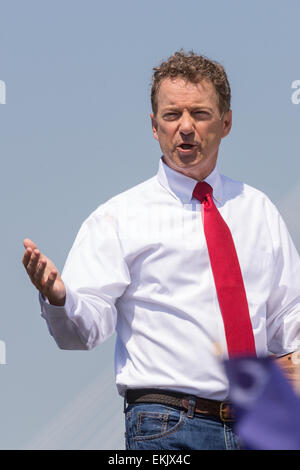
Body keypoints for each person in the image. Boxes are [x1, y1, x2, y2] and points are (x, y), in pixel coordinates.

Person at [22, 50, 300, 450]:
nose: (185, 127)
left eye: (200, 114)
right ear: (154, 126)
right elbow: (82, 332)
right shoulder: (119, 217)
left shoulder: (259, 211)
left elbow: (287, 322)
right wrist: (59, 298)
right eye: (172, 116)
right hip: (168, 425)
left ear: (226, 123)